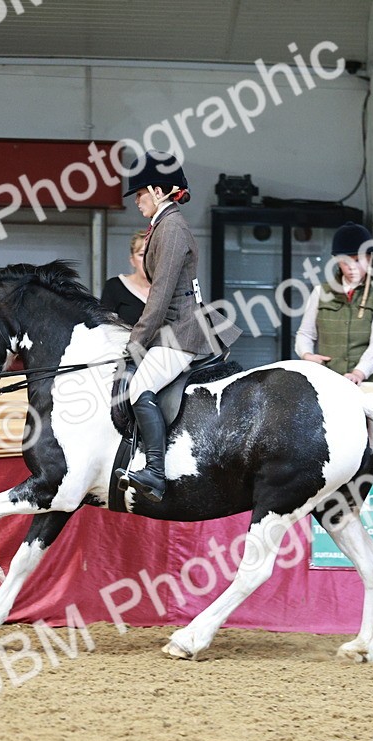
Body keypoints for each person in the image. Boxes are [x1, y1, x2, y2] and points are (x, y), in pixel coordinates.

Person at [117, 151, 241, 503]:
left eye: (140, 193)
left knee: (139, 386)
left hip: (181, 332)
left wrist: (134, 344)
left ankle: (155, 473)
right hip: (172, 328)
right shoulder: (162, 225)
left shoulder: (171, 228)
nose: (137, 201)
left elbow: (159, 299)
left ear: (158, 191)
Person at [295, 222, 373, 383]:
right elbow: (305, 333)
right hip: (328, 382)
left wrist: (359, 373)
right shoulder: (320, 292)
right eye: (345, 262)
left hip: (369, 384)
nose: (352, 267)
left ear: (369, 258)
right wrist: (307, 354)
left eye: (358, 260)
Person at [99, 230, 150, 325]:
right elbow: (105, 326)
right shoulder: (114, 287)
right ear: (132, 260)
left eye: (153, 254)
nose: (147, 260)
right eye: (141, 255)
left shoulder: (171, 289)